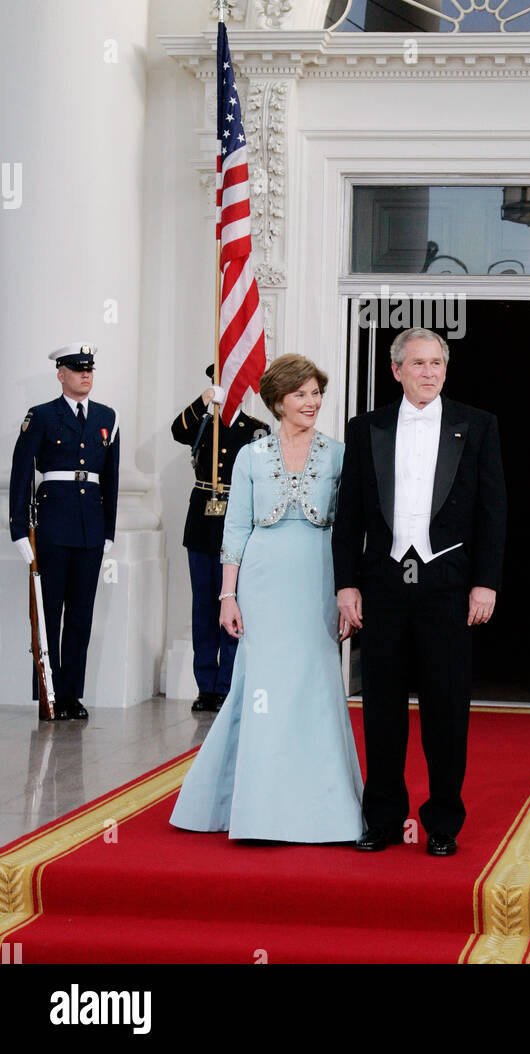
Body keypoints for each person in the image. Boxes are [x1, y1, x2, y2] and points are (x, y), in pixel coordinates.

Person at [170, 354, 363, 842]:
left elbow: (351, 530)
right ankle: (257, 810)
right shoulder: (250, 456)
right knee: (260, 689)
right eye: (300, 394)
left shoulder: (340, 454)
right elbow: (235, 528)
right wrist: (228, 595)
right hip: (262, 581)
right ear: (277, 401)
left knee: (316, 686)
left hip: (317, 579)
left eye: (316, 393)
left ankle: (326, 811)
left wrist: (347, 590)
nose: (311, 402)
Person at [333, 327, 507, 857]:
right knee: (382, 706)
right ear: (396, 370)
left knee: (446, 708)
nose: (429, 372)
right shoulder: (366, 429)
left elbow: (492, 511)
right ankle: (383, 820)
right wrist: (345, 585)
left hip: (448, 588)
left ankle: (443, 822)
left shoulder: (476, 425)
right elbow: (349, 518)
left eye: (437, 363)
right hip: (383, 585)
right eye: (418, 364)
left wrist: (486, 583)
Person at [9, 344, 120, 721]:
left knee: (80, 616)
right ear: (61, 374)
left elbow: (112, 478)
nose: (85, 374)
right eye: (77, 369)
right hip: (53, 525)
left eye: (89, 369)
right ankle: (50, 694)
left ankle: (72, 695)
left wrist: (109, 529)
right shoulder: (40, 416)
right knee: (49, 612)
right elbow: (22, 475)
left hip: (90, 527)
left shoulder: (107, 417)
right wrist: (19, 530)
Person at [171, 365, 269, 713]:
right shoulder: (202, 422)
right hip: (202, 524)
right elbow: (176, 430)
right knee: (204, 607)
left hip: (238, 522)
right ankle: (206, 686)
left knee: (234, 605)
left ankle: (227, 683)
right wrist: (205, 400)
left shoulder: (258, 430)